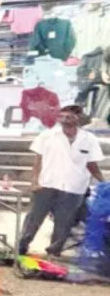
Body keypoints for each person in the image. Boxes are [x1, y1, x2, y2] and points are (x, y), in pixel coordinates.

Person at [18, 105, 105, 257]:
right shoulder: (47, 136)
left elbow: (92, 164)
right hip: (47, 184)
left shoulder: (89, 139)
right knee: (34, 219)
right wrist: (34, 181)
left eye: (69, 117)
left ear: (79, 118)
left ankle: (53, 252)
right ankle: (20, 248)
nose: (64, 120)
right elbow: (38, 161)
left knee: (64, 223)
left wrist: (103, 182)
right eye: (62, 117)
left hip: (74, 187)